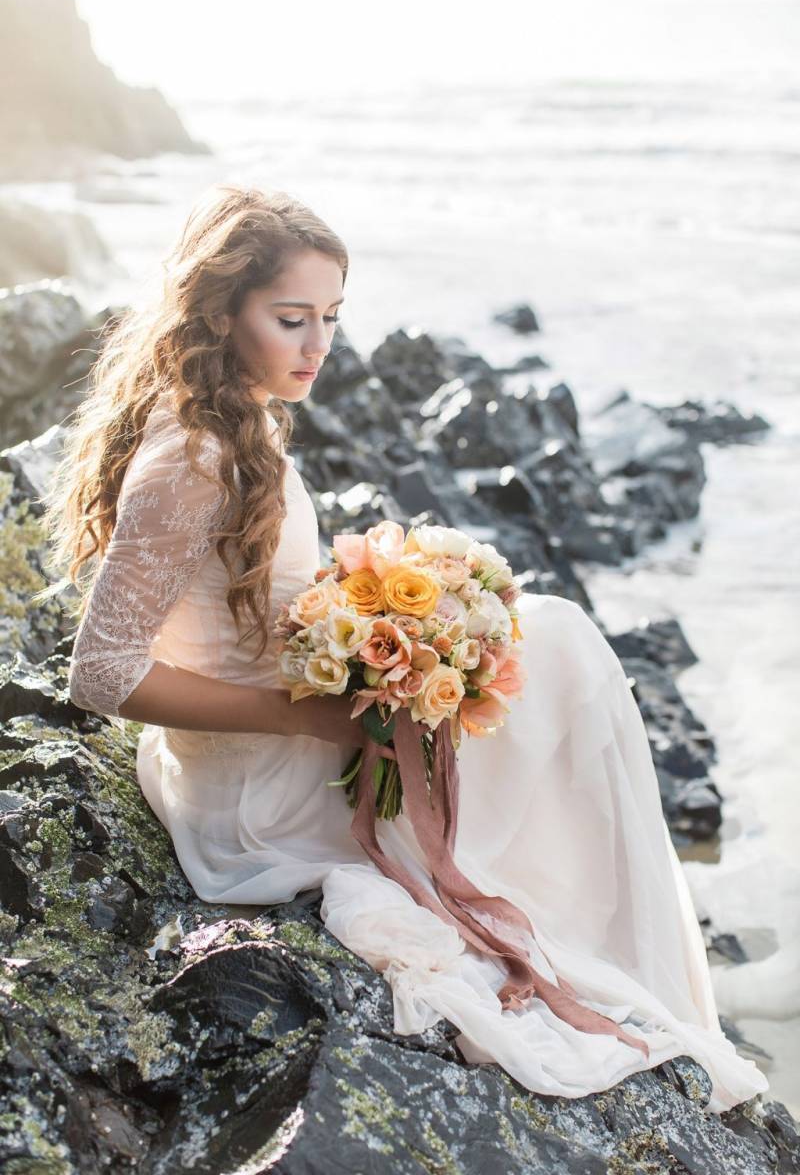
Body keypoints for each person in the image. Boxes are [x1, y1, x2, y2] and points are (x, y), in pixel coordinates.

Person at [38, 184, 769, 1113]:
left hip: (291, 731)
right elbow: (100, 672)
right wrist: (310, 716)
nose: (318, 348)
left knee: (545, 644)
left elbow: (242, 599)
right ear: (220, 312)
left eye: (332, 319)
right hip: (257, 789)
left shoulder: (233, 420)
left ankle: (624, 947)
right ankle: (635, 958)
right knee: (564, 655)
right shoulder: (190, 459)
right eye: (291, 318)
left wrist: (385, 615)